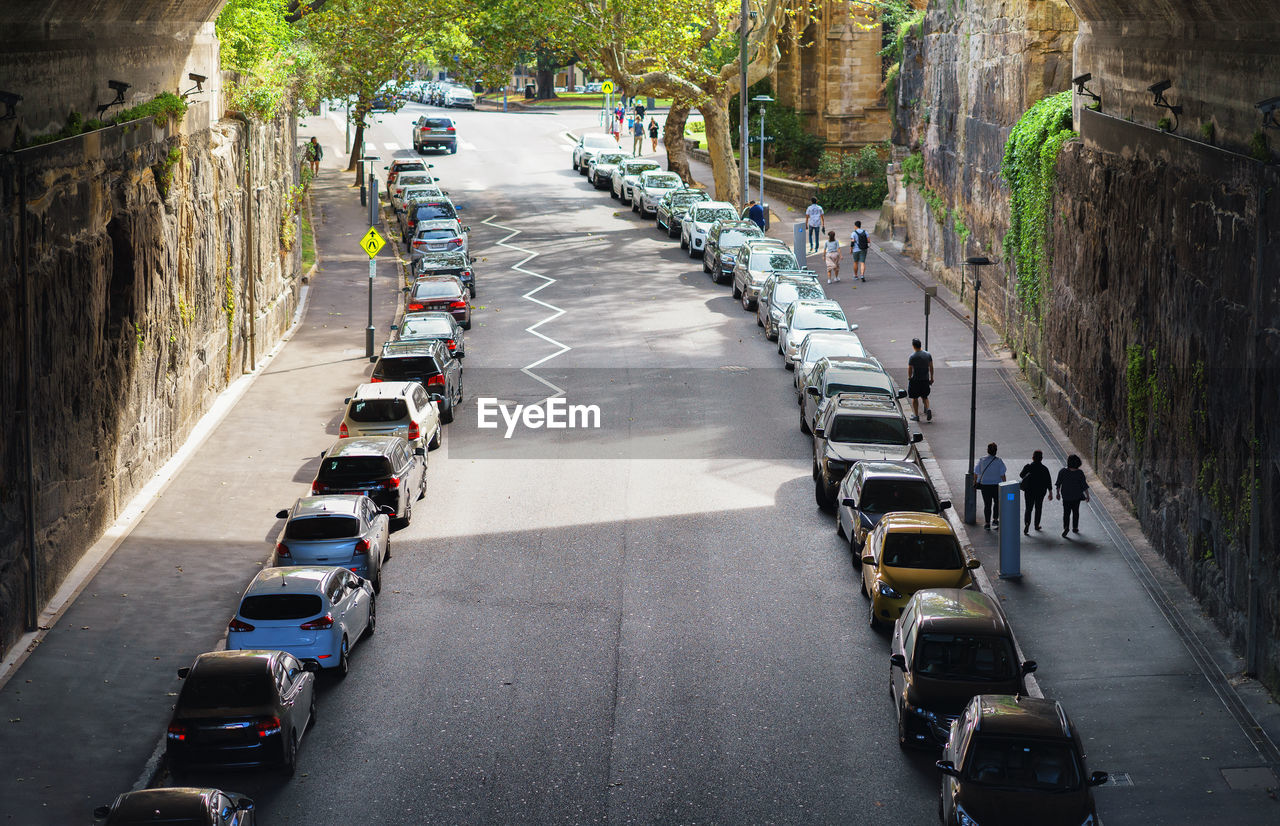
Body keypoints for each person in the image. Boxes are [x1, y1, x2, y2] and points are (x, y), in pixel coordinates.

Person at [1055, 454, 1090, 538]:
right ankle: (1075, 527)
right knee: (1075, 512)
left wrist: (1058, 493)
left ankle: (1066, 527)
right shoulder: (1079, 473)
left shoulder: (1062, 471)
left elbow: (1058, 483)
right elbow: (1084, 485)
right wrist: (1087, 495)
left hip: (1066, 496)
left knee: (1066, 512)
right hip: (1076, 496)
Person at [1018, 450, 1053, 534]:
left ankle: (1027, 523)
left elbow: (1021, 475)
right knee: (1038, 508)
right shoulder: (1044, 469)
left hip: (1029, 491)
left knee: (1028, 508)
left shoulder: (1028, 467)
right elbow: (1048, 481)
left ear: (1032, 458)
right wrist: (1050, 492)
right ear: (1041, 459)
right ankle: (1036, 525)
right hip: (1040, 492)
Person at [974, 442, 1006, 530]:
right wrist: (1004, 484)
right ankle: (995, 519)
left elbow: (976, 472)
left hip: (985, 486)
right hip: (996, 485)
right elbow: (1002, 474)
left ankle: (987, 523)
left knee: (987, 504)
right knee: (997, 502)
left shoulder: (982, 460)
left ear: (987, 450)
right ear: (996, 451)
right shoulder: (999, 461)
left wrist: (976, 482)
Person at [907, 338, 933, 422]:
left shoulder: (912, 356)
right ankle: (928, 408)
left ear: (913, 346)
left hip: (915, 380)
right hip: (925, 379)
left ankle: (916, 416)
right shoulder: (928, 355)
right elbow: (931, 367)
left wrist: (909, 377)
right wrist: (931, 377)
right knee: (925, 397)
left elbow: (910, 368)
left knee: (915, 398)